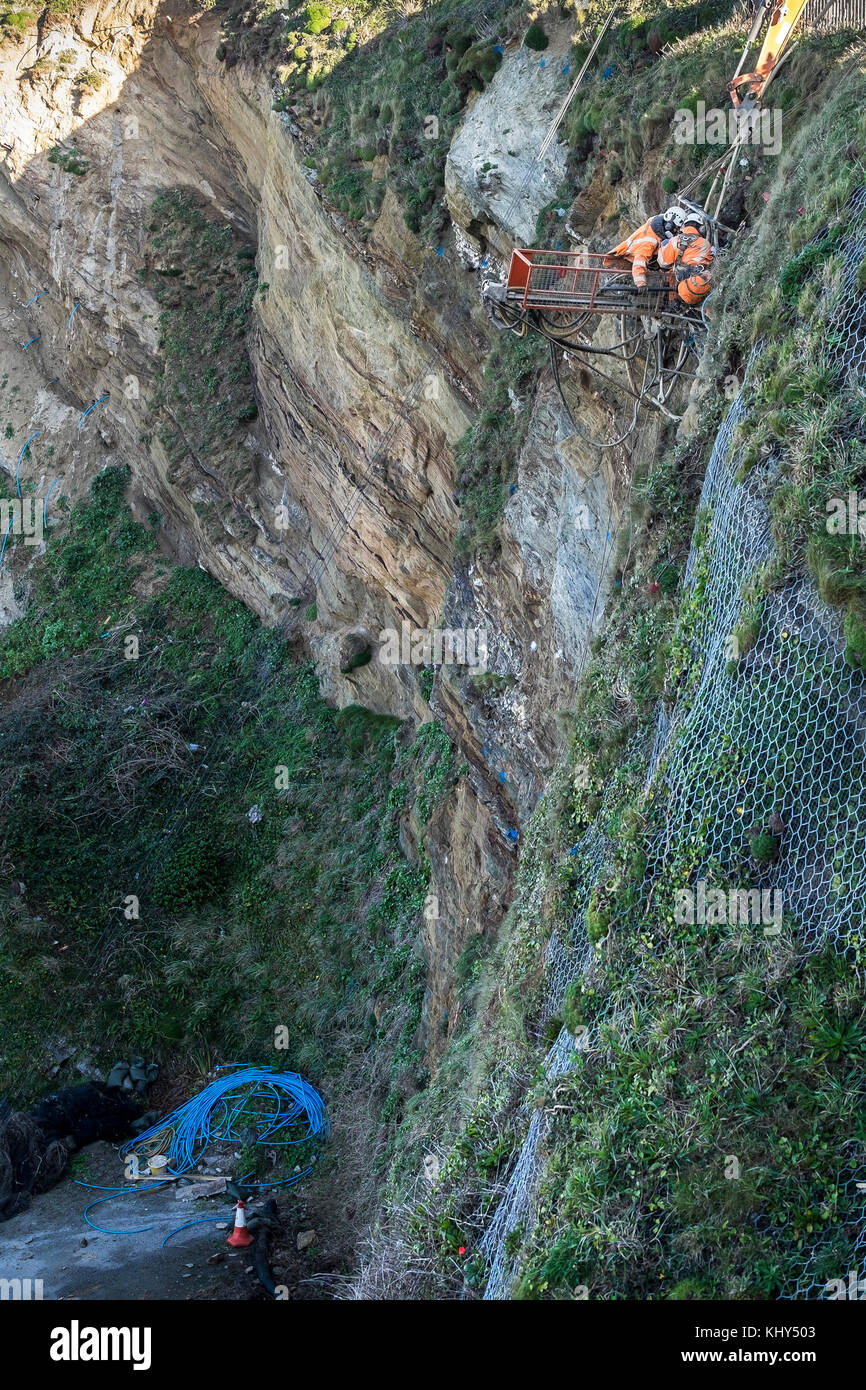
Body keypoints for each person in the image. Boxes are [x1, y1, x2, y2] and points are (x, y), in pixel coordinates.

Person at [604, 207, 686, 288]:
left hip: (631, 261)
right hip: (626, 262)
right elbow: (639, 261)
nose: (676, 232)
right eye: (676, 229)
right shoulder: (650, 241)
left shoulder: (658, 227)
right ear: (669, 225)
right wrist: (640, 283)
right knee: (624, 290)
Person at [658, 215, 714, 306]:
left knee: (671, 273)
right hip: (698, 282)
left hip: (682, 285)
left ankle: (673, 302)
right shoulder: (705, 243)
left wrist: (663, 247)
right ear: (701, 228)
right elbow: (710, 262)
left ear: (684, 226)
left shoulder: (674, 241)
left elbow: (662, 262)